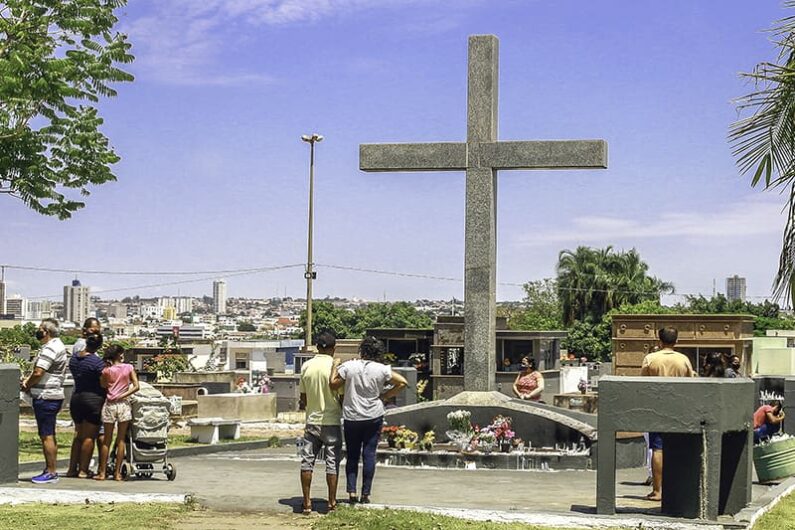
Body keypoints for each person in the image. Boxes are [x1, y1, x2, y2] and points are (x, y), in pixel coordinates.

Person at [330, 336, 408, 505]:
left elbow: (334, 384)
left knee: (352, 455)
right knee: (369, 454)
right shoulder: (382, 369)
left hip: (352, 415)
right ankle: (366, 493)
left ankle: (351, 492)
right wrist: (385, 396)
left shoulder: (350, 366)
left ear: (362, 350)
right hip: (374, 414)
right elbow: (402, 382)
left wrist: (335, 365)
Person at [640, 326, 695, 502]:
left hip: (656, 408)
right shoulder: (684, 360)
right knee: (679, 448)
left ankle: (657, 491)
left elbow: (642, 384)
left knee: (658, 448)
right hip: (679, 409)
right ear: (676, 341)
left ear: (659, 341)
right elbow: (691, 384)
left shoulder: (650, 359)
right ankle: (679, 489)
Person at [298, 330, 343, 514]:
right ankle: (331, 503)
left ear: (316, 347)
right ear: (334, 348)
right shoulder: (336, 368)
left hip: (312, 421)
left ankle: (307, 503)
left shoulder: (306, 367)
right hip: (332, 421)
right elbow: (341, 396)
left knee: (307, 461)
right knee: (332, 463)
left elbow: (303, 399)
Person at [20, 318, 69, 484]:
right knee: (50, 434)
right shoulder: (59, 346)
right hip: (52, 395)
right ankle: (50, 469)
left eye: (41, 328)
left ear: (46, 332)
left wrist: (26, 384)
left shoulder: (50, 348)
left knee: (46, 435)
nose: (38, 331)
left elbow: (39, 372)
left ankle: (51, 471)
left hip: (46, 396)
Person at [96, 344, 140, 481]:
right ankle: (117, 473)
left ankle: (102, 472)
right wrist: (124, 394)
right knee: (121, 439)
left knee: (106, 440)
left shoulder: (106, 371)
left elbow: (103, 385)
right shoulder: (129, 368)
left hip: (110, 404)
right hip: (124, 404)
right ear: (120, 355)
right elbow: (136, 386)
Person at [67, 318, 103, 478]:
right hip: (92, 399)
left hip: (76, 398)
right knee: (89, 436)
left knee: (78, 435)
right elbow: (104, 381)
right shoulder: (96, 362)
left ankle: (71, 468)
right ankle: (83, 469)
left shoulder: (74, 359)